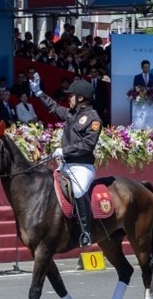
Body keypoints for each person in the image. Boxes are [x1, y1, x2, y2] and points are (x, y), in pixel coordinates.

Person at [29, 71, 102, 247]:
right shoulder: (71, 114)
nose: (69, 98)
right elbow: (53, 107)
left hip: (82, 167)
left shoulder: (94, 119)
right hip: (66, 165)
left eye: (72, 96)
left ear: (82, 98)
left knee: (77, 190)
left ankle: (86, 232)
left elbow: (87, 145)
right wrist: (38, 92)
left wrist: (64, 151)